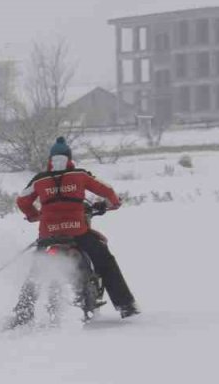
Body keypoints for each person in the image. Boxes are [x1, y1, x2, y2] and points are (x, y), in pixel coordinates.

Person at [15, 136, 139, 319]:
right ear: (69, 158)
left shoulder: (39, 180)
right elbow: (107, 191)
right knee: (105, 260)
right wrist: (114, 203)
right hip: (77, 232)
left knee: (37, 269)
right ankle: (125, 305)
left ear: (50, 159)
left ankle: (23, 311)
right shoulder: (80, 175)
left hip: (48, 235)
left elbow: (22, 201)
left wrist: (35, 215)